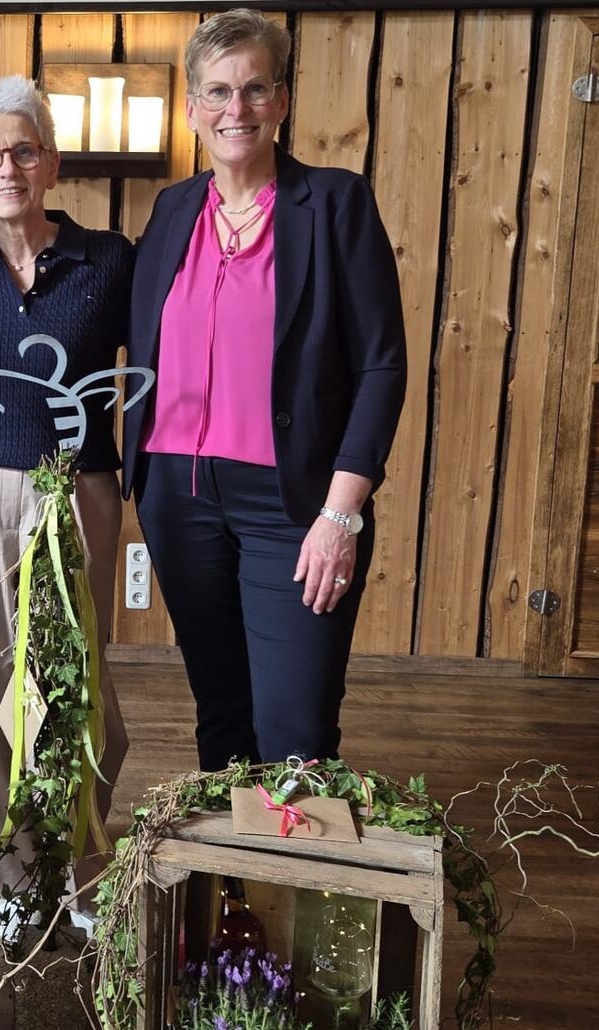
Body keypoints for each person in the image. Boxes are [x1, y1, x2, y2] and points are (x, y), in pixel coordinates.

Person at [123, 10, 407, 771]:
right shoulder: (174, 209)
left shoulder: (336, 205)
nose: (234, 110)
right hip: (179, 497)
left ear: (281, 101)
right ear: (191, 107)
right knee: (222, 716)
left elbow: (383, 365)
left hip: (295, 502)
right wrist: (1, 231)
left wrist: (341, 514)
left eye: (254, 89)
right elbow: (93, 282)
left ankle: (293, 878)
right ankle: (228, 892)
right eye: (216, 92)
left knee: (296, 732)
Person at [0, 75, 131, 934]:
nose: (6, 167)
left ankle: (76, 864)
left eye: (22, 149)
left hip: (77, 488)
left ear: (50, 159)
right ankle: (7, 882)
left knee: (71, 686)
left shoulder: (111, 259)